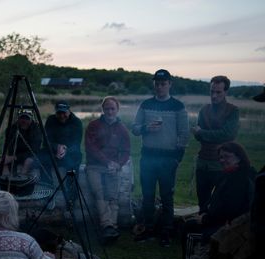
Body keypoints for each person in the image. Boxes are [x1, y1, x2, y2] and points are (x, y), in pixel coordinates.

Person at [131, 68, 189, 245]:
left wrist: (177, 158)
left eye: (163, 84)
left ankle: (166, 232)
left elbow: (184, 134)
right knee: (147, 196)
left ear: (170, 84)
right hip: (148, 157)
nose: (159, 87)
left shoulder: (178, 106)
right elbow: (135, 128)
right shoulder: (146, 104)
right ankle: (148, 229)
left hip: (168, 159)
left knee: (167, 197)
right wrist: (146, 128)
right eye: (157, 84)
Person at [182, 141, 254, 241]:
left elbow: (231, 210)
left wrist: (205, 219)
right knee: (190, 224)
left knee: (190, 229)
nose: (222, 160)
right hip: (218, 219)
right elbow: (213, 200)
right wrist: (204, 212)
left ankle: (199, 251)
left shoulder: (241, 179)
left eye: (227, 156)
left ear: (239, 157)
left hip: (232, 225)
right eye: (220, 157)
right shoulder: (226, 175)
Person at [84, 96, 131, 242]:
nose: (110, 112)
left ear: (117, 110)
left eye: (112, 109)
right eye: (107, 109)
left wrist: (118, 164)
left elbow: (126, 151)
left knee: (113, 196)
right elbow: (90, 148)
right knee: (99, 193)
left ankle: (112, 227)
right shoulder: (93, 125)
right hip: (95, 166)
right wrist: (107, 162)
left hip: (113, 167)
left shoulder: (122, 129)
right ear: (103, 109)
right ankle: (107, 225)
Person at [192, 75, 240, 213]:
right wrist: (200, 133)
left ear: (226, 92)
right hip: (203, 161)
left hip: (222, 163)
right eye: (212, 91)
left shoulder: (233, 110)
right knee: (202, 202)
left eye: (218, 92)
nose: (214, 95)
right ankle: (202, 223)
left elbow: (227, 134)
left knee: (221, 202)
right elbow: (198, 137)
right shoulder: (204, 110)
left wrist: (202, 133)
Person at [0, 109, 46, 182]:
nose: (24, 121)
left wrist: (15, 157)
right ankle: (7, 180)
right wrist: (8, 157)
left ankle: (21, 180)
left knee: (28, 161)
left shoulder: (36, 130)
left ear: (31, 119)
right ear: (18, 119)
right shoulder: (12, 129)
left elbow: (34, 151)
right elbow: (10, 147)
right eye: (22, 118)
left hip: (31, 156)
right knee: (3, 161)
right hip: (16, 155)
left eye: (27, 119)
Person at [44, 101, 83, 176]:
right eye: (59, 113)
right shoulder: (50, 120)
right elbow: (46, 141)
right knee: (42, 158)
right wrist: (57, 146)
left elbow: (76, 143)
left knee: (74, 159)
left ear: (69, 111)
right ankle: (47, 182)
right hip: (53, 152)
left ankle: (71, 183)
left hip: (70, 152)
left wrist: (65, 149)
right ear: (56, 112)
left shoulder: (76, 122)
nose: (62, 116)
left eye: (64, 113)